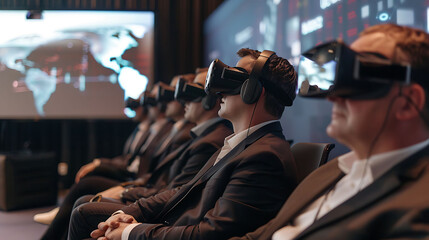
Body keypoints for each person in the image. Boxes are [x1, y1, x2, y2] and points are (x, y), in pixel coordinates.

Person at [67, 48, 299, 240]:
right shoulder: (243, 144)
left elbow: (211, 234)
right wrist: (126, 214)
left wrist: (131, 231)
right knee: (88, 213)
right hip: (172, 225)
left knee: (86, 214)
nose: (219, 91)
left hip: (177, 230)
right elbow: (183, 191)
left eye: (234, 79)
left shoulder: (263, 157)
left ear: (254, 91)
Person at [232, 23, 429, 240]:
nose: (333, 97)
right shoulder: (330, 172)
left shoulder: (418, 208)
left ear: (407, 104)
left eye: (357, 79)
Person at [38, 85, 175, 240]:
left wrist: (127, 188)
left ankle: (58, 219)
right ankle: (61, 215)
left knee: (85, 194)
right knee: (88, 183)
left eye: (152, 100)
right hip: (136, 179)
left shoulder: (169, 130)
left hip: (141, 184)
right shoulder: (152, 129)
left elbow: (157, 174)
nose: (148, 105)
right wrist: (99, 163)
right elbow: (130, 159)